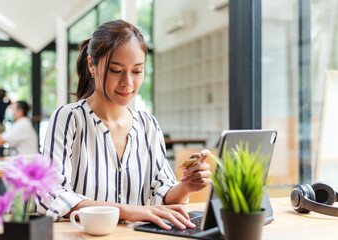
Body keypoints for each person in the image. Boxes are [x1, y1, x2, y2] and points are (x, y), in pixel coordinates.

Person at [38, 20, 211, 230]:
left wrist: (185, 187)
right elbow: (50, 194)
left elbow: (162, 190)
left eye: (137, 71)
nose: (127, 82)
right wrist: (131, 211)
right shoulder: (68, 119)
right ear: (92, 65)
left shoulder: (148, 125)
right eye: (115, 70)